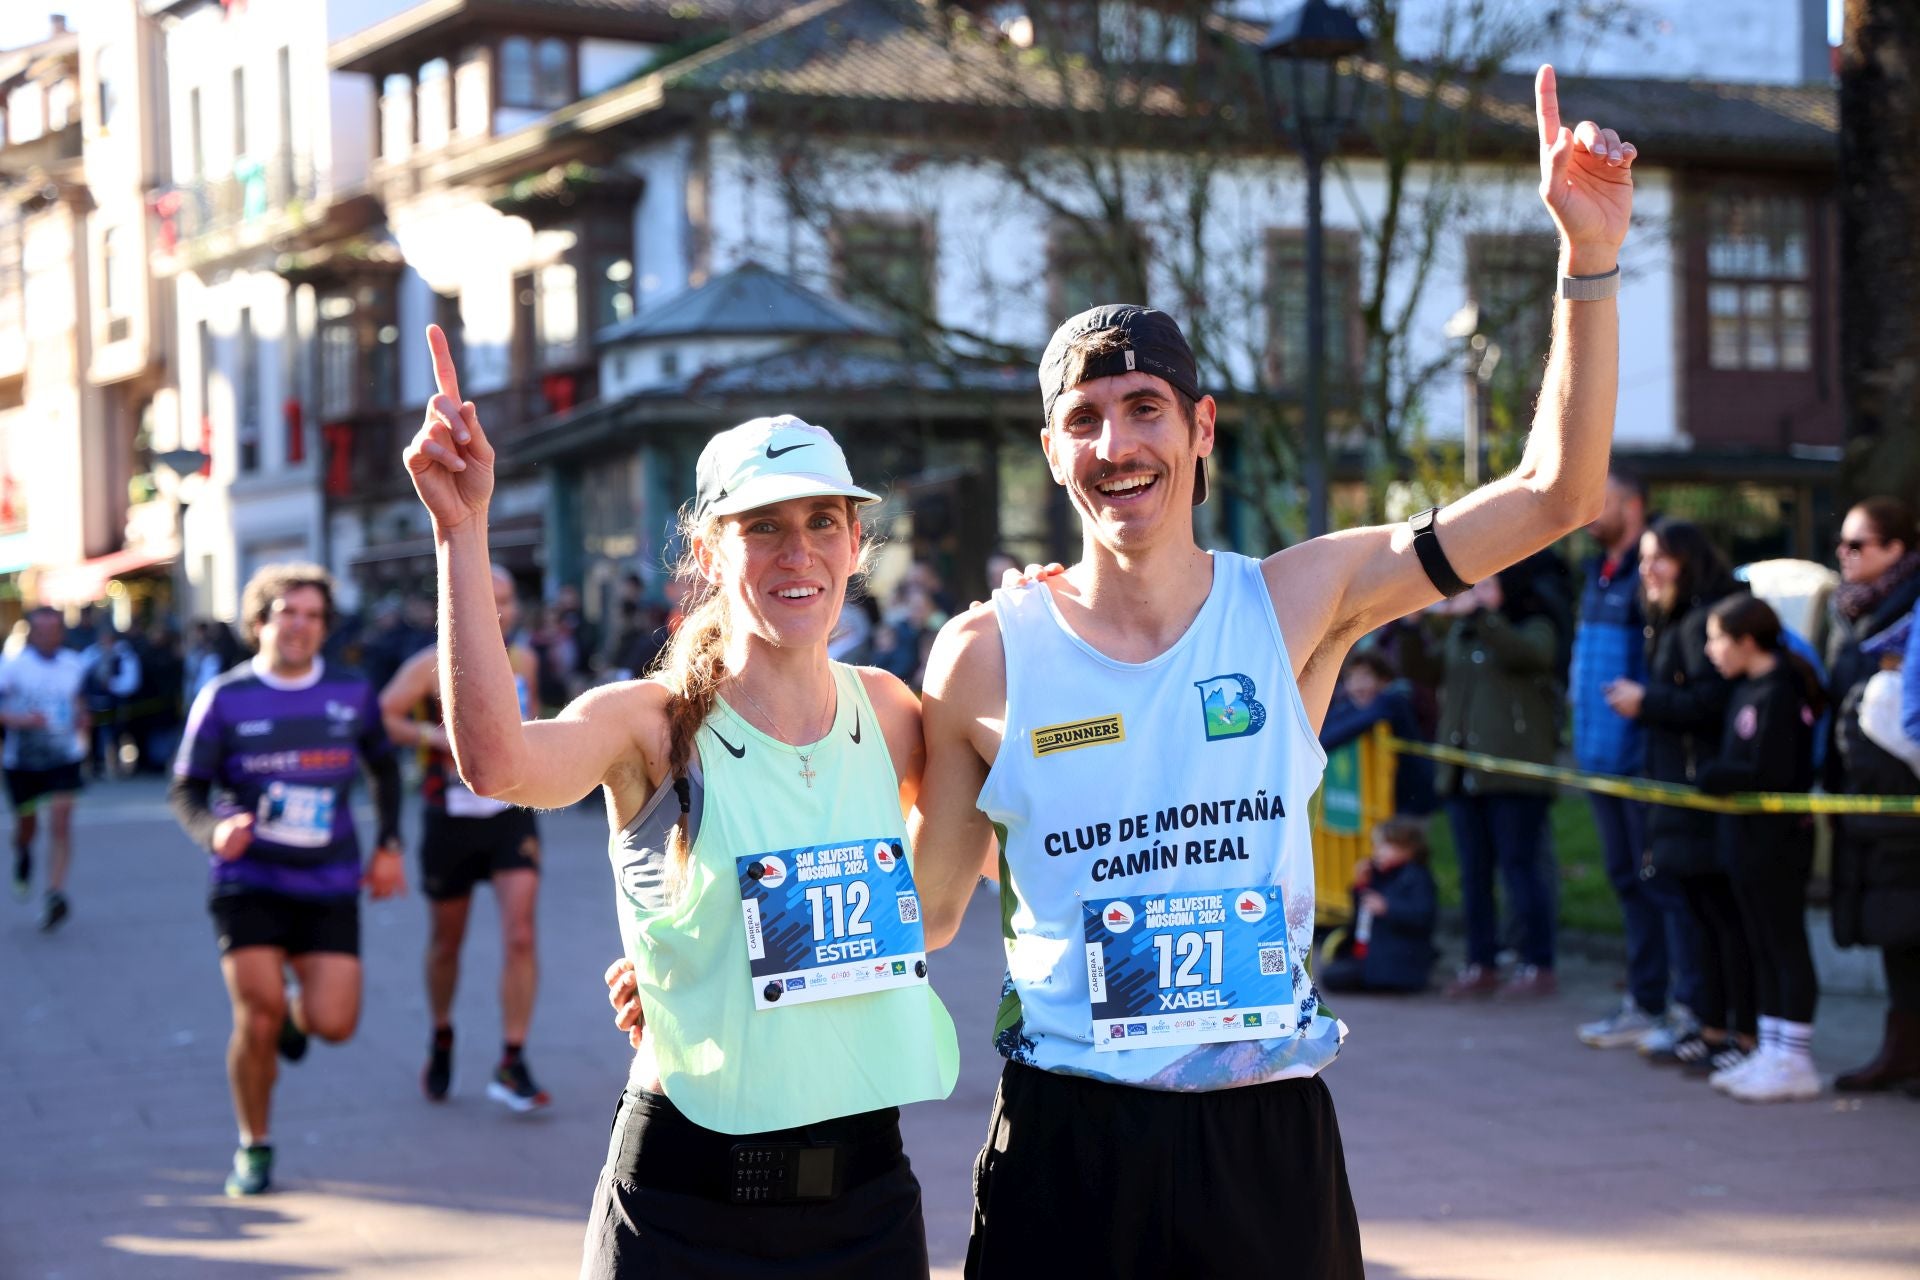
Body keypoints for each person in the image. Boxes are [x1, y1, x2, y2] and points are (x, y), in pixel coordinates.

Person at [900, 68, 1632, 1277]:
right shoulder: (983, 652)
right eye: (1085, 419)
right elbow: (926, 909)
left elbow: (1559, 492)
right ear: (1051, 450)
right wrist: (704, 954)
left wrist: (1588, 260)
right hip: (1067, 1138)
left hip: (1264, 1134)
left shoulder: (1301, 596)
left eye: (1145, 409)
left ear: (1202, 429)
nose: (1117, 443)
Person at [406, 329, 960, 1277]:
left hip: (865, 1198)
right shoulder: (651, 724)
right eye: (763, 526)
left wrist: (1029, 612)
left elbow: (931, 913)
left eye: (823, 521)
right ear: (709, 547)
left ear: (858, 541)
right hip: (683, 1202)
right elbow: (497, 765)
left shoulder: (894, 712)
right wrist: (463, 533)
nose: (800, 553)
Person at [167, 564, 406, 1197]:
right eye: (287, 613)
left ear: (325, 628)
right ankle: (255, 1143)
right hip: (248, 879)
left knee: (334, 1023)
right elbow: (187, 789)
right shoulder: (224, 696)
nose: (300, 626)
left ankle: (300, 1017)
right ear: (259, 622)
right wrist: (213, 830)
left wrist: (388, 846)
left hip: (329, 880)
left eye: (312, 616)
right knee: (258, 1012)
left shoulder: (352, 692)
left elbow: (384, 769)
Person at [380, 564, 551, 1111]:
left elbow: (535, 721)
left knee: (520, 935)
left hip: (510, 813)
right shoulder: (430, 666)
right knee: (446, 943)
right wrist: (438, 735)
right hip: (448, 816)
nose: (500, 611)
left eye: (507, 600)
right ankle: (442, 1032)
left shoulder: (524, 661)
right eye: (489, 599)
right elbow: (383, 715)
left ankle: (513, 1057)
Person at [1605, 518, 1753, 1078]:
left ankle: (1728, 1029)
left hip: (1699, 795)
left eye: (1659, 558)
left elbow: (1713, 702)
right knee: (1699, 912)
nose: (1647, 570)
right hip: (1678, 788)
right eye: (1643, 559)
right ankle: (1709, 1027)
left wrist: (1648, 702)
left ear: (1689, 561)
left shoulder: (1701, 622)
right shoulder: (1669, 619)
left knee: (1715, 918)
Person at [1571, 470, 1698, 1051]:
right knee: (1626, 879)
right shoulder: (1594, 576)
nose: (1590, 514)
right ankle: (1644, 1001)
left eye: (1603, 502)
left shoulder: (1652, 585)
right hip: (1598, 759)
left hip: (1640, 761)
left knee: (1658, 883)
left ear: (1636, 504)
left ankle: (1683, 1004)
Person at [1410, 554, 1565, 999]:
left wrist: (1482, 616)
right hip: (1463, 775)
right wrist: (1410, 628)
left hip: (1512, 775)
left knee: (1520, 870)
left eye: (1486, 586)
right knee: (1473, 874)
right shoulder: (1464, 631)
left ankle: (1538, 962)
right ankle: (1481, 962)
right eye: (1472, 588)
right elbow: (1425, 670)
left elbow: (1529, 656)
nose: (1475, 595)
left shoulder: (1535, 626)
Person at [1697, 594, 1824, 1102]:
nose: (1710, 651)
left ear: (1746, 641)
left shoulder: (1781, 692)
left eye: (1716, 639)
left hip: (1777, 843)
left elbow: (1772, 772)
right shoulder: (1746, 690)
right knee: (1760, 944)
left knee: (1784, 942)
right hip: (1744, 841)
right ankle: (1771, 1050)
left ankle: (1795, 1055)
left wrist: (1714, 775)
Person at [1823, 498, 1920, 1092]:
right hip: (1864, 795)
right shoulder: (1847, 612)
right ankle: (1902, 1048)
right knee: (1891, 931)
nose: (1844, 555)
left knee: (1909, 927)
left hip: (1904, 796)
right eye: (1842, 543)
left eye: (1858, 545)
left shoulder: (1908, 609)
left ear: (1898, 550)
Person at [0, 607, 91, 929]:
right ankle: (23, 854)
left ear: (61, 632)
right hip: (23, 760)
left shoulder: (73, 664)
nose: (48, 636)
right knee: (28, 826)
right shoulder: (12, 667)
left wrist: (82, 719)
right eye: (41, 631)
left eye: (54, 630)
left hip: (63, 756)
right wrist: (22, 721)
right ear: (31, 632)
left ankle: (54, 892)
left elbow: (78, 701)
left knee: (61, 823)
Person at [1315, 817, 1438, 994]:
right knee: (1332, 974)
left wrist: (1387, 908)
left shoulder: (1416, 877)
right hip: (1376, 955)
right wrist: (1360, 886)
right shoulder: (1379, 875)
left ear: (1408, 849)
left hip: (1401, 957)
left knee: (1338, 976)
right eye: (1375, 846)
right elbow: (1360, 919)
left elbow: (1423, 916)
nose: (1376, 852)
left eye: (1384, 846)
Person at [1318, 649, 1434, 817]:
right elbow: (1331, 724)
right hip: (1386, 795)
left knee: (1402, 841)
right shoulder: (1357, 705)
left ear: (1384, 680)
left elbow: (1333, 735)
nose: (1357, 685)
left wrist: (1312, 746)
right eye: (1350, 677)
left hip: (1412, 793)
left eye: (1365, 676)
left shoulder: (1393, 701)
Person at [82, 627, 142, 780]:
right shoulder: (92, 653)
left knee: (117, 733)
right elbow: (81, 670)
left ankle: (117, 764)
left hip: (115, 701)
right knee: (94, 734)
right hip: (95, 701)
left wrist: (112, 685)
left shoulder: (124, 654)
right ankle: (97, 765)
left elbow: (130, 681)